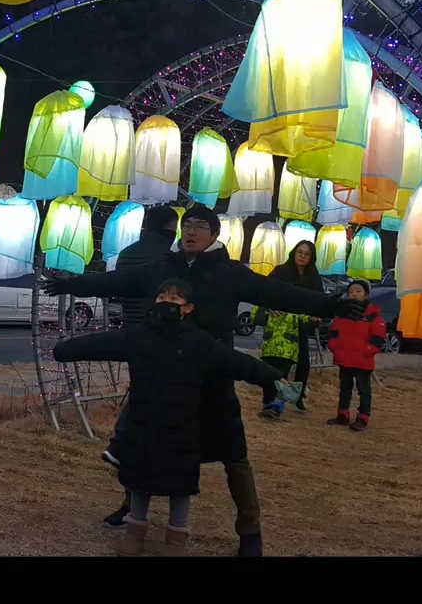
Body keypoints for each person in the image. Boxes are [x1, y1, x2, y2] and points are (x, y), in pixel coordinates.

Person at [41, 205, 365, 556]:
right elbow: (117, 281)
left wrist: (330, 306)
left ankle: (249, 530)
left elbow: (279, 293)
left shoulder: (230, 273)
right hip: (162, 376)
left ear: (214, 234)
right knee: (142, 444)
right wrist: (72, 284)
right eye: (186, 226)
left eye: (199, 226)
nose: (191, 232)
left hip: (212, 373)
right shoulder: (163, 269)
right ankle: (130, 509)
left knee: (233, 454)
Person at [53, 279, 289, 557]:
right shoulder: (139, 335)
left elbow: (237, 363)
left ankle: (176, 541)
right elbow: (100, 343)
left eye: (174, 300)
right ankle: (134, 533)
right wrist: (64, 350)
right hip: (143, 423)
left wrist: (273, 377)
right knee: (139, 482)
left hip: (183, 427)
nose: (166, 302)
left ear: (188, 308)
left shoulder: (200, 342)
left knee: (180, 487)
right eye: (162, 297)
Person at [100, 205, 178, 470]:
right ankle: (126, 447)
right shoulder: (171, 256)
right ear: (171, 227)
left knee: (142, 386)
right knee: (154, 394)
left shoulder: (127, 253)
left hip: (132, 327)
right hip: (162, 332)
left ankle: (125, 449)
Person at [254, 241, 325, 420]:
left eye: (306, 254)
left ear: (311, 257)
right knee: (275, 365)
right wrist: (270, 307)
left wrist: (315, 317)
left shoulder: (313, 277)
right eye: (299, 252)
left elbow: (319, 302)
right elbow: (264, 291)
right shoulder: (281, 271)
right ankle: (273, 401)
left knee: (303, 364)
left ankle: (298, 396)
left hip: (301, 325)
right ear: (293, 253)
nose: (302, 256)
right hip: (279, 326)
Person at [326, 280, 385, 431]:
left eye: (358, 291)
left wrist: (367, 350)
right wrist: (334, 346)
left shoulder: (372, 314)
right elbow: (333, 332)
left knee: (363, 389)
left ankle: (363, 417)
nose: (354, 294)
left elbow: (378, 337)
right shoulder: (342, 313)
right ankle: (343, 414)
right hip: (344, 357)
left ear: (366, 294)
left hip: (363, 359)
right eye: (351, 292)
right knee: (344, 387)